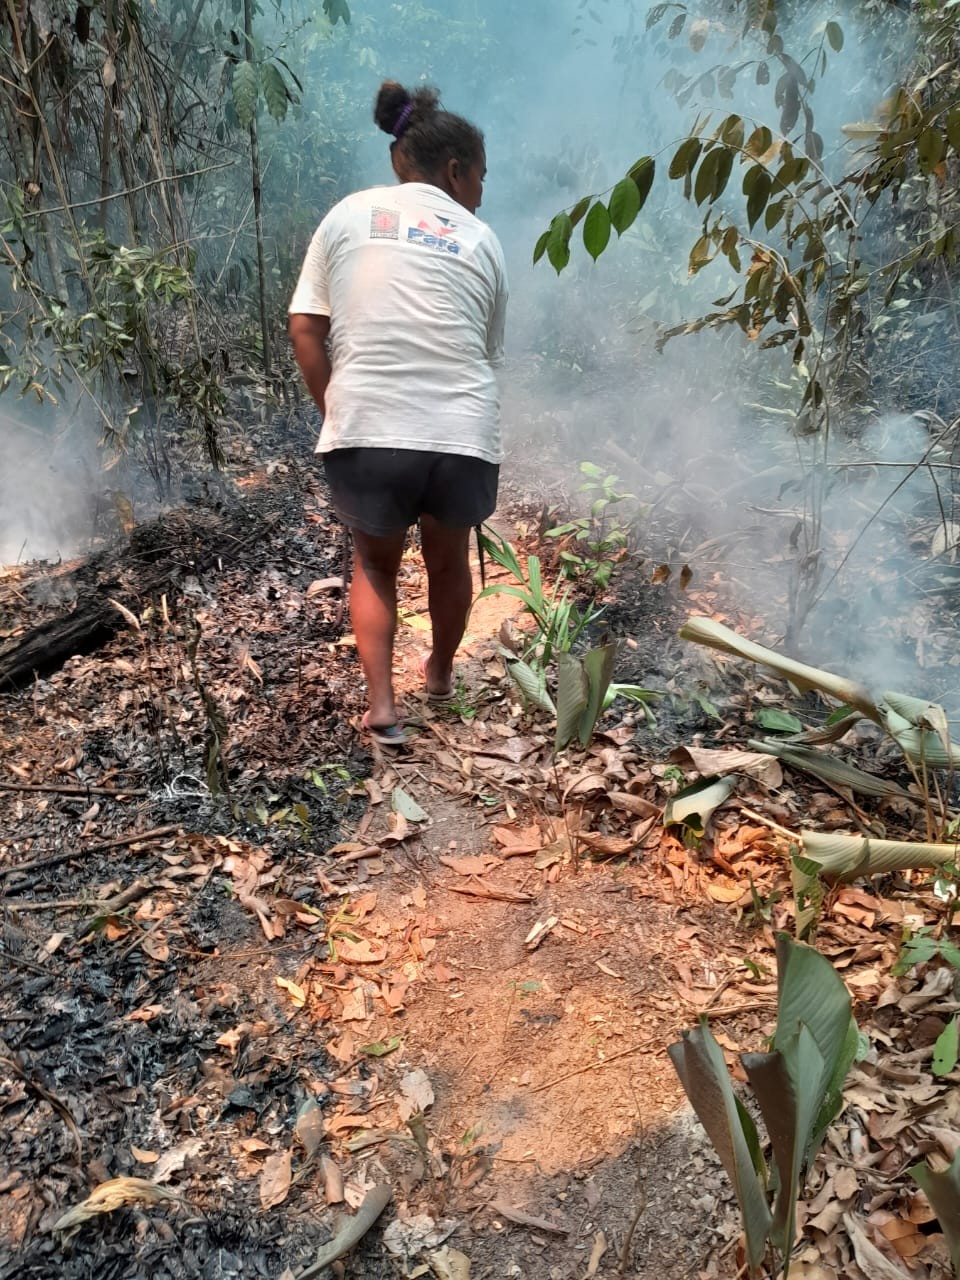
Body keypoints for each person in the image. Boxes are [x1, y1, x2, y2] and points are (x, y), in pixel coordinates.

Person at [289, 81, 508, 746]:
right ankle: (439, 675)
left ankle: (383, 709)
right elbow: (484, 354)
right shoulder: (481, 240)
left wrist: (341, 412)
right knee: (446, 564)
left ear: (397, 162)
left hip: (370, 430)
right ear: (454, 172)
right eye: (481, 178)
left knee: (376, 565)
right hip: (460, 434)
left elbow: (304, 327)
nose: (481, 193)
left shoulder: (348, 216)